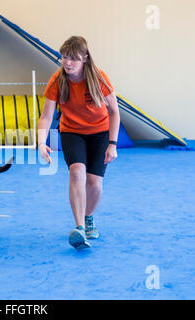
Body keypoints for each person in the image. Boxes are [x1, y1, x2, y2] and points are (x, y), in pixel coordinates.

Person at [38, 36, 120, 250]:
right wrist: (40, 142)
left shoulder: (99, 78)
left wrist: (112, 143)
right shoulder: (58, 80)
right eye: (64, 57)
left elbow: (114, 112)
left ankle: (89, 216)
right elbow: (46, 116)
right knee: (76, 172)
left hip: (100, 133)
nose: (67, 63)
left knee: (95, 183)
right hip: (72, 132)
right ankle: (79, 227)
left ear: (84, 58)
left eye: (73, 59)